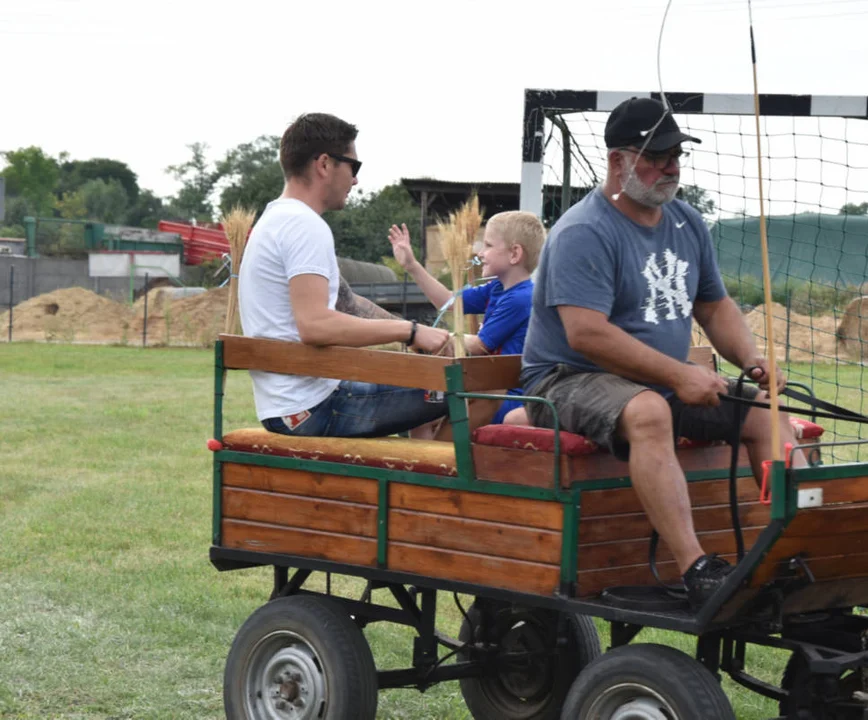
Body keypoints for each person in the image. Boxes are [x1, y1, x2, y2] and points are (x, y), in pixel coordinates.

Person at [520, 97, 807, 608]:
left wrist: (753, 360)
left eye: (676, 154)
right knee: (650, 411)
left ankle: (790, 551)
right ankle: (696, 568)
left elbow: (715, 307)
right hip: (567, 378)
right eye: (656, 156)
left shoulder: (687, 223)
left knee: (766, 413)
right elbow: (586, 334)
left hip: (654, 379)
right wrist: (678, 375)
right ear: (618, 161)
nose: (670, 166)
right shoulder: (584, 231)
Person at [238, 112, 451, 438]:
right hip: (313, 408)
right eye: (354, 166)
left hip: (288, 405)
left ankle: (411, 470)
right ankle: (429, 482)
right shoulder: (305, 225)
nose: (355, 180)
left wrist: (425, 334)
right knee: (469, 388)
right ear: (324, 164)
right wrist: (409, 331)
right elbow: (315, 325)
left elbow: (347, 303)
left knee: (426, 383)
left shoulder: (276, 220)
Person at [388, 210, 544, 425]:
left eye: (488, 246)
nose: (480, 253)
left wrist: (436, 336)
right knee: (421, 408)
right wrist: (412, 266)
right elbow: (448, 302)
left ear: (514, 254)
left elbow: (479, 346)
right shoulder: (497, 288)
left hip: (503, 397)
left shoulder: (521, 298)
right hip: (485, 387)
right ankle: (423, 456)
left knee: (425, 407)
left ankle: (435, 455)